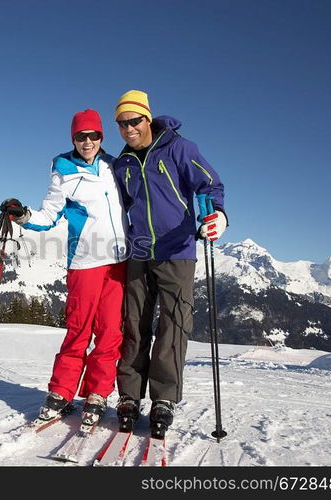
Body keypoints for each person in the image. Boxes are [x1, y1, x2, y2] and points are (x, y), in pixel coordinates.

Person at [1, 109, 129, 426]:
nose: (87, 141)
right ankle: (61, 392)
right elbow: (49, 215)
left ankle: (98, 394)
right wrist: (23, 216)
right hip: (84, 261)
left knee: (111, 332)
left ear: (102, 136)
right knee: (79, 330)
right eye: (81, 136)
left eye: (94, 135)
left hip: (119, 263)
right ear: (73, 138)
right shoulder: (63, 169)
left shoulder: (116, 166)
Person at [111, 90, 227, 436]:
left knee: (173, 325)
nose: (128, 127)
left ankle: (163, 399)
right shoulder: (123, 163)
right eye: (121, 122)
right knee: (133, 325)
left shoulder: (180, 148)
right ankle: (129, 395)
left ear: (147, 118)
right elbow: (124, 205)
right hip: (139, 252)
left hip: (177, 250)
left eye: (133, 120)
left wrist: (218, 214)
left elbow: (209, 184)